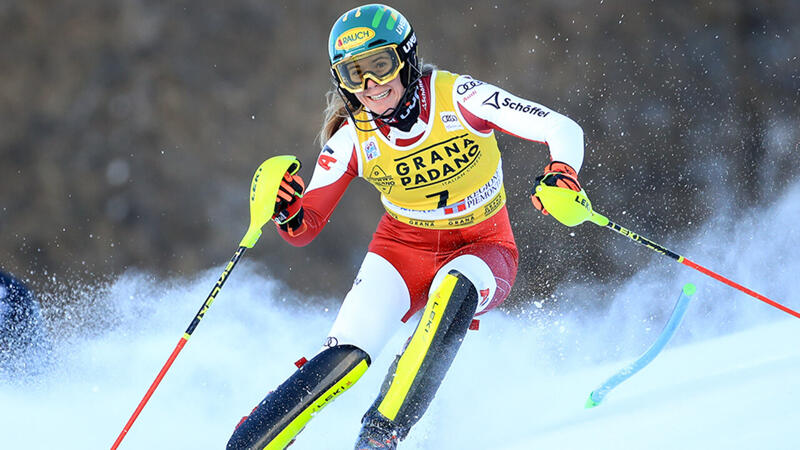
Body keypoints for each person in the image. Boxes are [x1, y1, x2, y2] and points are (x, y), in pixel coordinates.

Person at [228, 4, 586, 449]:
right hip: (402, 252)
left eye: (380, 65)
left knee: (457, 287)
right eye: (354, 74)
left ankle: (379, 436)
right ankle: (247, 443)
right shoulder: (352, 137)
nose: (371, 86)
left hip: (484, 245)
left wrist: (562, 170)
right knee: (345, 358)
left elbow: (560, 127)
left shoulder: (459, 97)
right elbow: (305, 227)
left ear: (407, 58)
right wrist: (287, 211)